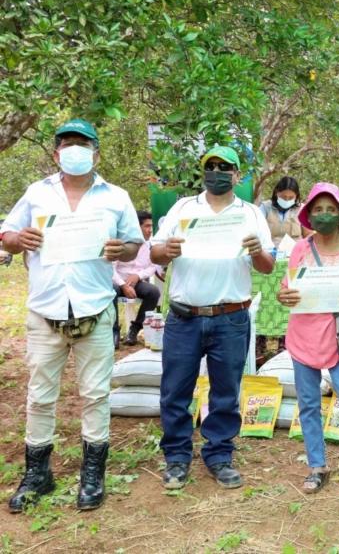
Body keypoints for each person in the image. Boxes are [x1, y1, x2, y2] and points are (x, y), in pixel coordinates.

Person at [1, 119, 143, 512]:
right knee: (39, 396)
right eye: (67, 143)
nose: (75, 150)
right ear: (55, 152)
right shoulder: (36, 193)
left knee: (96, 395)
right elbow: (9, 234)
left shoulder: (115, 196)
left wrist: (122, 250)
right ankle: (37, 474)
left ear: (96, 152)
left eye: (83, 144)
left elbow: (134, 243)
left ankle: (92, 474)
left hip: (94, 308)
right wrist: (18, 239)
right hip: (45, 310)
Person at [151, 145, 274, 490]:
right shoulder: (183, 208)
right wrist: (167, 250)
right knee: (175, 390)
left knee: (225, 391)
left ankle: (219, 455)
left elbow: (266, 265)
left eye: (225, 167)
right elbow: (155, 253)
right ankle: (176, 458)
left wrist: (257, 251)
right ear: (203, 172)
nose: (217, 172)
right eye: (211, 166)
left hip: (230, 316)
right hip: (184, 316)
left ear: (238, 175)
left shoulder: (250, 214)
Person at [277, 183, 339, 500]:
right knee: (308, 404)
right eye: (317, 209)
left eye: (330, 209)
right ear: (309, 214)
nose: (324, 215)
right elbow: (286, 289)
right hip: (303, 336)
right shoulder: (300, 249)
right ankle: (317, 466)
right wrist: (284, 295)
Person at [112, 210, 161, 346]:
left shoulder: (149, 246)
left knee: (153, 292)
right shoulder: (123, 244)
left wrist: (138, 275)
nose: (150, 230)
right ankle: (114, 332)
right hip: (118, 282)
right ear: (137, 227)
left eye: (151, 226)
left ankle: (134, 330)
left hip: (136, 283)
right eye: (147, 226)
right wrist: (123, 285)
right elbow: (110, 269)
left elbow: (153, 266)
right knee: (111, 290)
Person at [260, 176, 309, 249]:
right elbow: (257, 232)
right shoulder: (265, 207)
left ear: (296, 196)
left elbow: (308, 235)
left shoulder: (302, 209)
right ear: (277, 193)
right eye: (283, 197)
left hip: (296, 254)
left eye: (291, 198)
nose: (287, 200)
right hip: (271, 254)